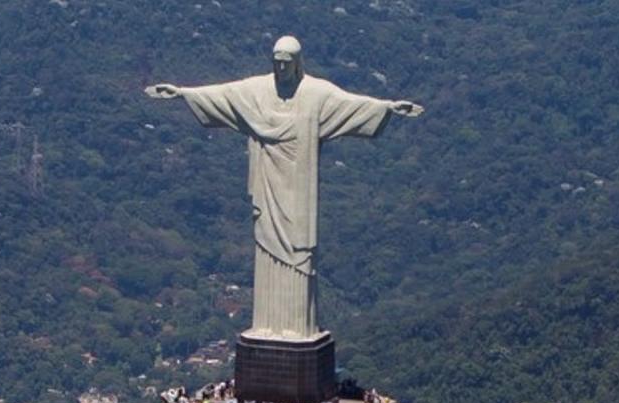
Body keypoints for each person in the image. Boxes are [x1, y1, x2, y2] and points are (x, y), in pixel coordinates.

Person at [146, 36, 423, 339]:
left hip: (299, 189)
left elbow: (351, 104)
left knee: (298, 251)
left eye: (286, 63)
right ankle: (266, 326)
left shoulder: (316, 94)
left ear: (298, 63)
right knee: (266, 247)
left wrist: (388, 108)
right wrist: (182, 93)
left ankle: (296, 327)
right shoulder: (257, 91)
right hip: (267, 184)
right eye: (276, 62)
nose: (280, 68)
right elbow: (223, 94)